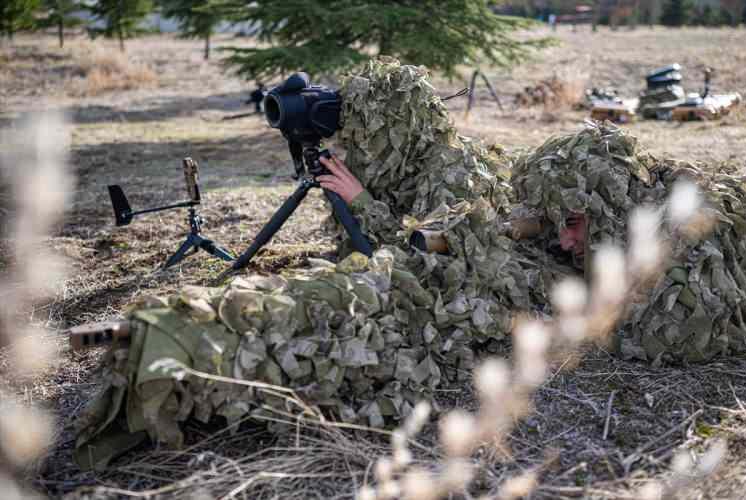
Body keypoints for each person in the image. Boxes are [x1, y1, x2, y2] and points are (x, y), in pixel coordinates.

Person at [74, 57, 556, 470]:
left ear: (398, 122)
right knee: (274, 303)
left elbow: (432, 256)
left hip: (416, 298)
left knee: (307, 322)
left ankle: (174, 348)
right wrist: (350, 191)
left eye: (368, 127)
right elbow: (358, 246)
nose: (360, 138)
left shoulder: (452, 169)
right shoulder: (392, 162)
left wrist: (359, 198)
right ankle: (164, 332)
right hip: (368, 276)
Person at [511, 120, 746, 365]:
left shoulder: (674, 232)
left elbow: (683, 339)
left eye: (571, 224)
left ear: (608, 210)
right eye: (555, 223)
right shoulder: (616, 217)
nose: (565, 243)